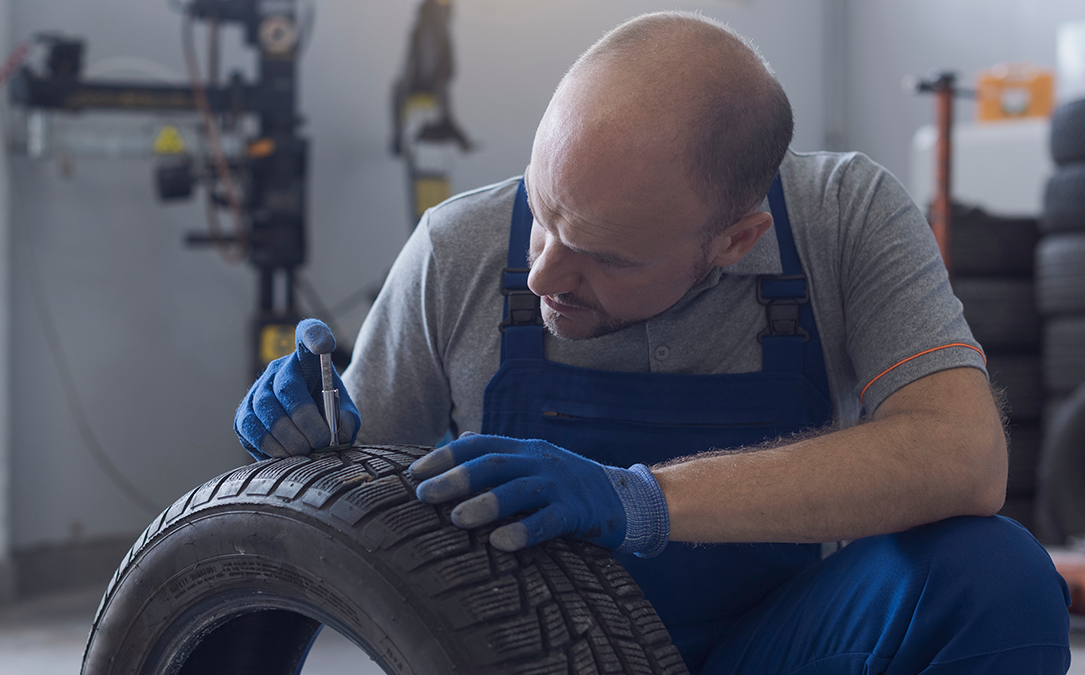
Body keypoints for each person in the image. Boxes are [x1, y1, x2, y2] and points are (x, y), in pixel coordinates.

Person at [235, 11, 1071, 674]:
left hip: (775, 645)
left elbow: (964, 457)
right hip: (521, 658)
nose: (543, 273)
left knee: (995, 574)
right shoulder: (457, 247)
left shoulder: (843, 218)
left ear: (735, 240)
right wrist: (304, 442)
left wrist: (640, 499)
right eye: (543, 212)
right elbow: (328, 512)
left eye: (604, 256)